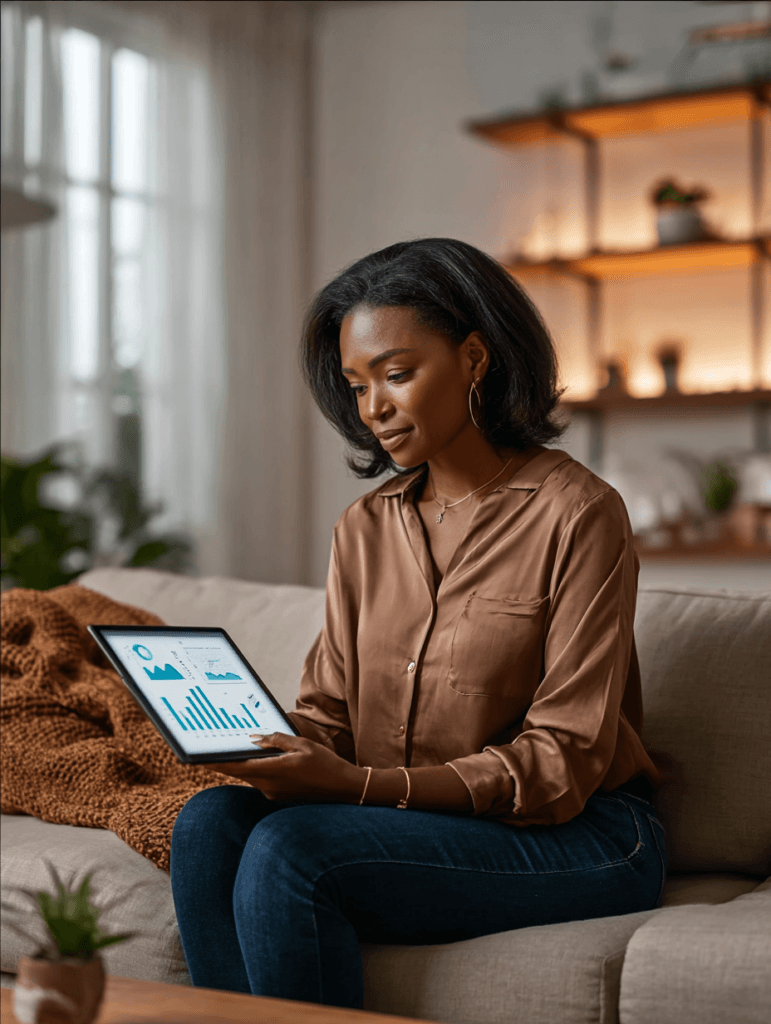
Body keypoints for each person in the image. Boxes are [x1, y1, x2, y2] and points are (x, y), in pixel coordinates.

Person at [169, 237, 666, 1010]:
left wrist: (362, 787)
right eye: (357, 384)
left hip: (580, 834)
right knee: (209, 825)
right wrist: (272, 746)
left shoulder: (579, 513)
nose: (374, 408)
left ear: (474, 359)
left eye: (397, 374)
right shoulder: (364, 528)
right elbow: (331, 712)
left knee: (291, 850)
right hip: (396, 818)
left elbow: (560, 763)